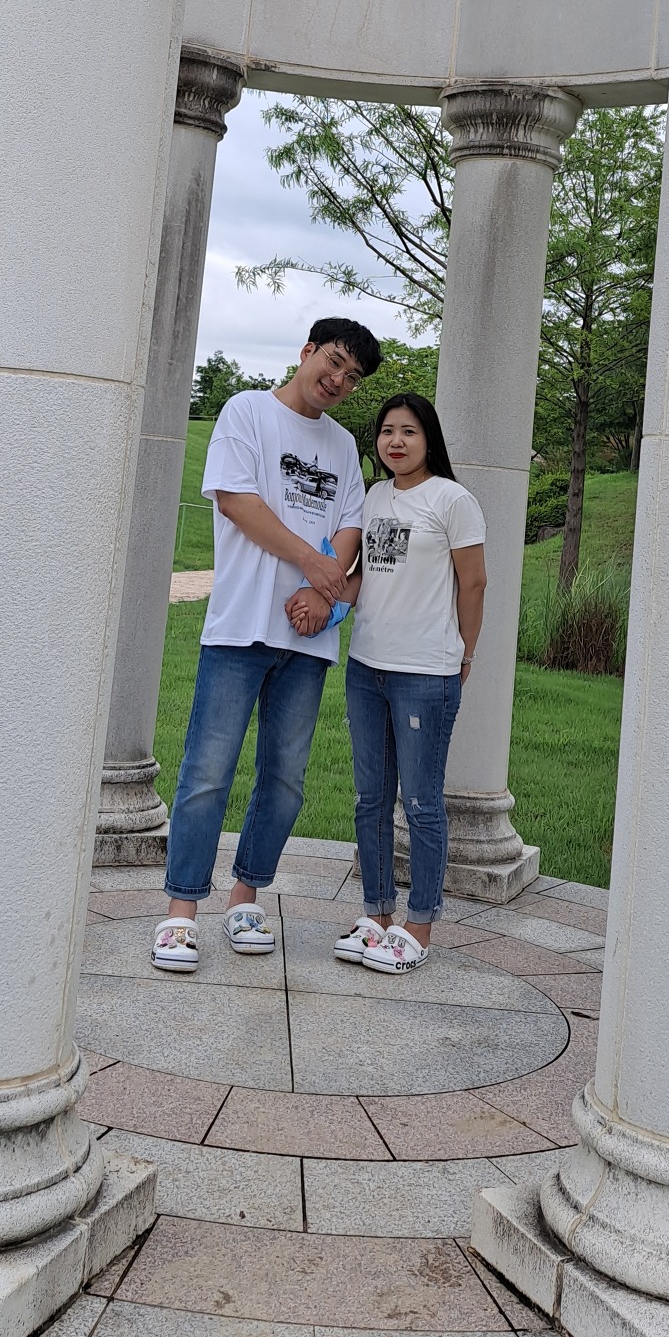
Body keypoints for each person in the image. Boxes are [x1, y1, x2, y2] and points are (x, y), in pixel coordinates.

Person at [151, 317, 382, 973]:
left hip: (308, 640)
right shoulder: (247, 411)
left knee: (284, 780)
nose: (338, 380)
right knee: (207, 773)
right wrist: (314, 566)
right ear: (307, 351)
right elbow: (236, 501)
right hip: (241, 625)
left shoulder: (343, 446)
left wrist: (324, 594)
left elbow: (351, 527)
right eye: (333, 362)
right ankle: (180, 913)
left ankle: (246, 898)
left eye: (352, 377)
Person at [287, 392, 485, 974]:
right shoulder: (374, 497)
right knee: (371, 798)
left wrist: (465, 652)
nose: (396, 442)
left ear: (430, 439)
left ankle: (418, 925)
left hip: (426, 671)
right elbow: (360, 578)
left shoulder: (453, 500)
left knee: (421, 803)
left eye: (409, 431)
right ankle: (376, 914)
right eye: (387, 431)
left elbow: (473, 584)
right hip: (367, 667)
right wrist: (320, 599)